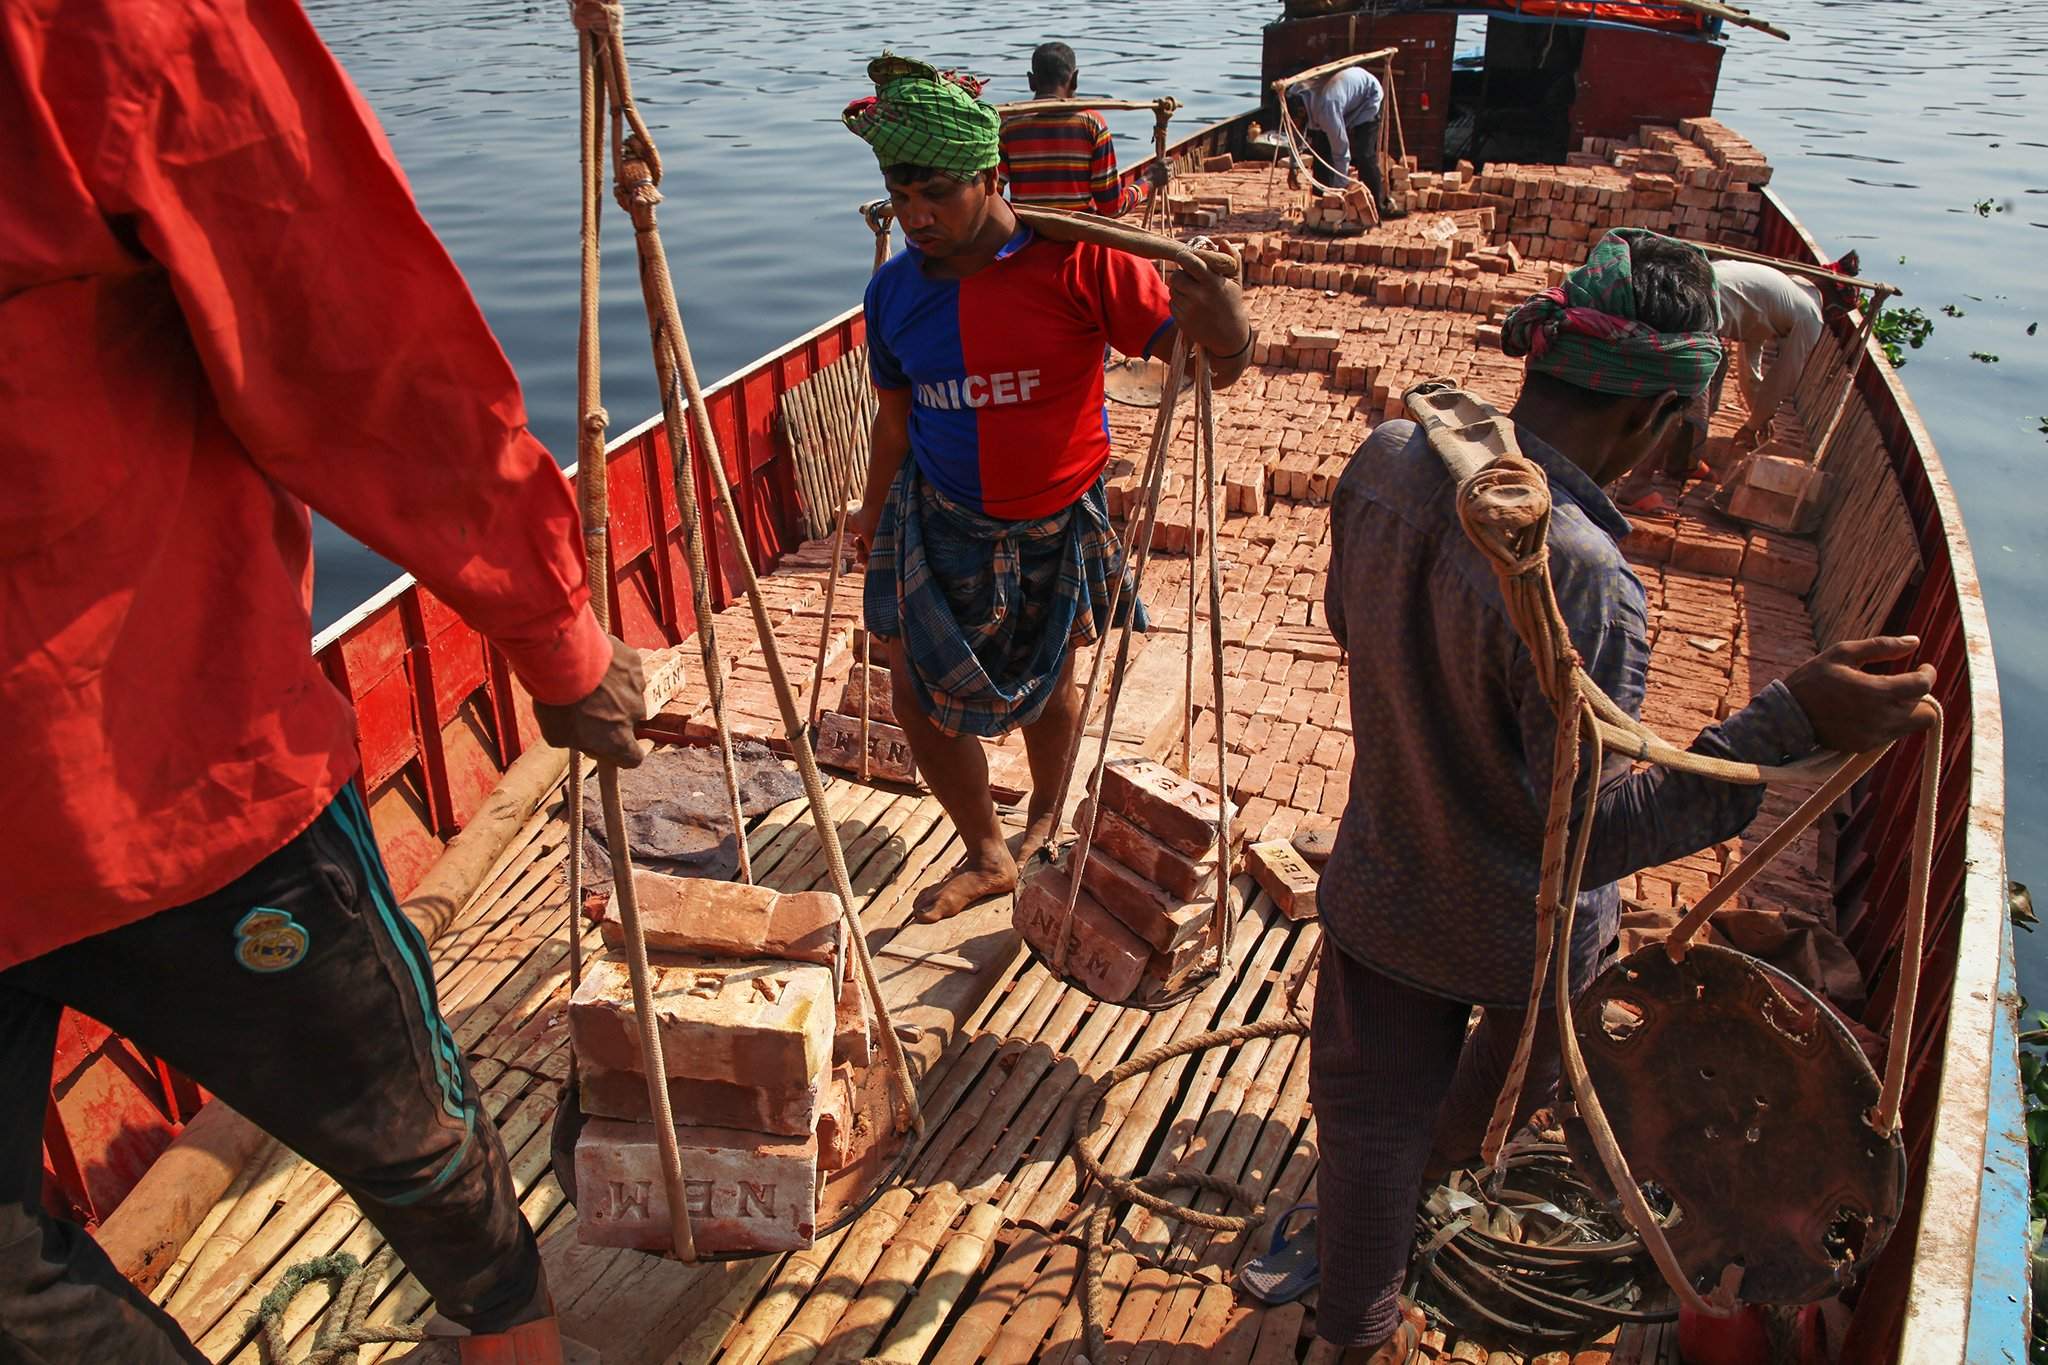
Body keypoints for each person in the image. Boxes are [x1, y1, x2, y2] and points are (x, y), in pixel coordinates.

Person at [0, 3, 646, 1361]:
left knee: (411, 1139)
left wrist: (551, 631)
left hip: (156, 766)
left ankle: (516, 1342)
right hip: (156, 779)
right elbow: (362, 353)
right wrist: (556, 639)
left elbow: (358, 351)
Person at [1313, 228, 1935, 1363]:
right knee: (1470, 1125)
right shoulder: (1583, 577)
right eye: (1692, 431)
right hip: (1517, 944)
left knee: (1365, 1131)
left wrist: (1436, 726)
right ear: (1659, 418)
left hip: (1377, 890)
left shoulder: (1388, 457)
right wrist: (1786, 725)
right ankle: (1435, 1227)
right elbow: (1589, 841)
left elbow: (1345, 629)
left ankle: (1352, 1326)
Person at [840, 54, 1254, 922]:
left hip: (1056, 519)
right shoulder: (893, 294)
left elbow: (1204, 367)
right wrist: (873, 510)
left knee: (1050, 689)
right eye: (901, 196)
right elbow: (892, 418)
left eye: (938, 196)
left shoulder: (1083, 263)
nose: (917, 218)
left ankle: (1041, 826)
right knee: (917, 692)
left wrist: (1225, 320)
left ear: (993, 176)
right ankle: (986, 851)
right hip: (940, 516)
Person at [998, 41, 1158, 216]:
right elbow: (1112, 208)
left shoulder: (1008, 127)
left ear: (1031, 81)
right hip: (1078, 241)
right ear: (1074, 80)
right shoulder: (1092, 124)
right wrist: (1147, 182)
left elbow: (992, 195)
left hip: (1026, 239)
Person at [1292, 63, 1404, 218]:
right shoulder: (1292, 97)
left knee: (1364, 155)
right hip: (1340, 96)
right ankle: (1321, 202)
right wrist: (1293, 166)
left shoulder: (1327, 109)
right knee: (1322, 150)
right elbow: (1294, 133)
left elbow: (1342, 153)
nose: (1294, 125)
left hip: (1367, 97)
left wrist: (1340, 195)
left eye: (1296, 121)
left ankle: (1378, 208)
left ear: (1301, 112)